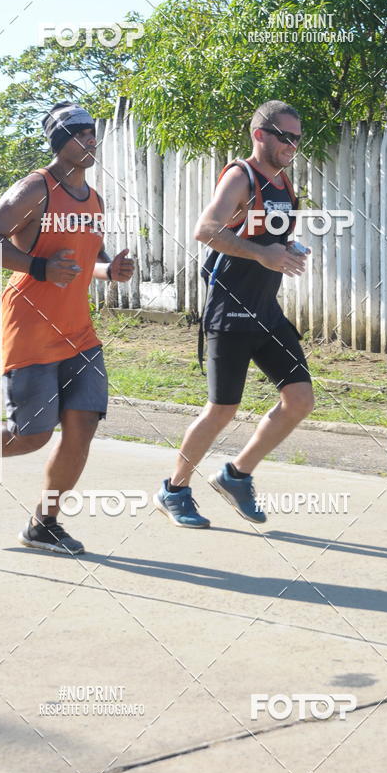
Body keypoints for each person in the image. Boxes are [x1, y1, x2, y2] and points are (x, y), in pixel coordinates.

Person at [0, 101, 134, 554]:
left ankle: (44, 523)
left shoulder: (94, 198)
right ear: (59, 140)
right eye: (79, 133)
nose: (89, 139)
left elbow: (87, 262)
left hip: (79, 334)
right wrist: (39, 268)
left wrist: (111, 271)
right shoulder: (36, 188)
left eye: (92, 133)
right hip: (30, 327)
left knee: (82, 426)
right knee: (31, 436)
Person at [155, 100, 314, 528]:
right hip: (230, 312)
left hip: (267, 311)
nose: (292, 145)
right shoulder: (240, 176)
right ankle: (174, 489)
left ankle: (236, 475)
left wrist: (288, 250)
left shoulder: (284, 184)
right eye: (285, 136)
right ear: (260, 134)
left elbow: (265, 238)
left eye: (297, 138)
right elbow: (206, 230)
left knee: (299, 399)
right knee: (221, 409)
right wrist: (264, 254)